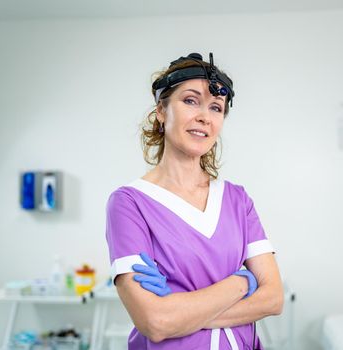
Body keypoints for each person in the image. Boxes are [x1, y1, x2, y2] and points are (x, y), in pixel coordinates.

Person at [105, 52, 284, 350]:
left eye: (216, 107)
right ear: (161, 110)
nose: (204, 116)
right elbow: (155, 322)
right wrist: (242, 282)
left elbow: (274, 298)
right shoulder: (129, 204)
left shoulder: (237, 200)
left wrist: (180, 310)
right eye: (190, 100)